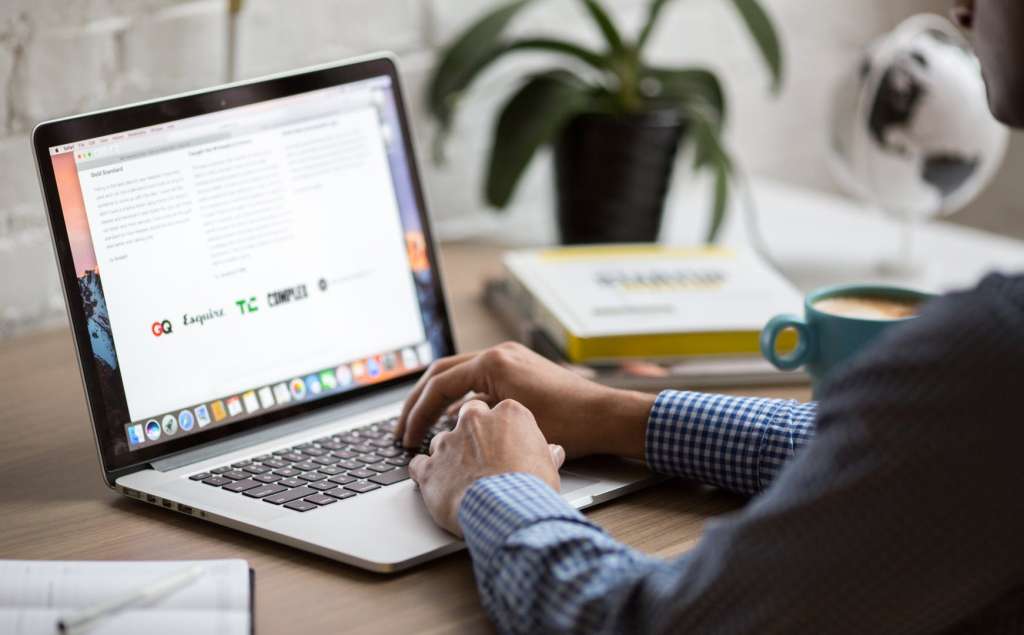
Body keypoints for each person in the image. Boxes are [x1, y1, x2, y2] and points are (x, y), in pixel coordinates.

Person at [397, 1, 1024, 632]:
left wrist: (498, 490)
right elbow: (914, 457)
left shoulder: (994, 351)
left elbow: (643, 623)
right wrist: (617, 414)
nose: (961, 7)